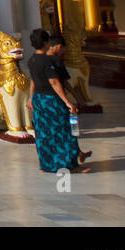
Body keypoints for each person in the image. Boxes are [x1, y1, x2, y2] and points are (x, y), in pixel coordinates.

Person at [28, 28, 92, 173]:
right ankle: (70, 165)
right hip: (51, 100)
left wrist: (31, 98)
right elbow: (55, 83)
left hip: (39, 99)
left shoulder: (31, 60)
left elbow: (33, 80)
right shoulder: (48, 60)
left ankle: (47, 164)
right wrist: (68, 102)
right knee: (65, 131)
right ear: (46, 43)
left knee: (44, 133)